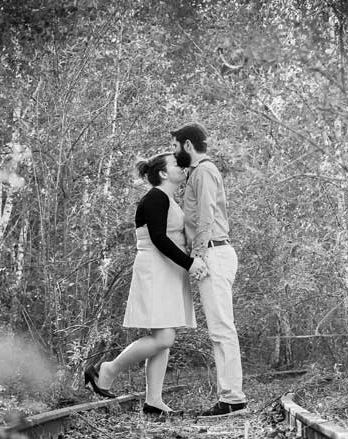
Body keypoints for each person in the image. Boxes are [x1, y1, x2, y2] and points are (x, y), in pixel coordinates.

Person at [84, 152, 208, 416]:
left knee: (162, 338)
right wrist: (190, 263)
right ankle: (107, 370)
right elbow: (160, 239)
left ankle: (154, 401)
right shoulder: (155, 197)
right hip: (156, 268)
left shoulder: (169, 199)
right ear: (163, 173)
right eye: (177, 164)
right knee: (164, 337)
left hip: (168, 271)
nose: (182, 166)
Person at [171, 122, 248, 418]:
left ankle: (232, 398)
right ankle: (231, 397)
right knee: (219, 329)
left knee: (221, 329)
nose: (174, 152)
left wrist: (198, 256)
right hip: (214, 251)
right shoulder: (201, 172)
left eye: (176, 146)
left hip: (213, 252)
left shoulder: (203, 171)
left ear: (188, 145)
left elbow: (205, 216)